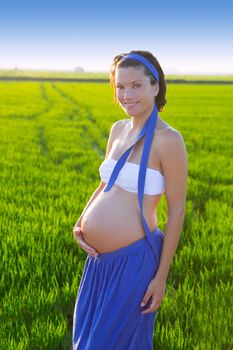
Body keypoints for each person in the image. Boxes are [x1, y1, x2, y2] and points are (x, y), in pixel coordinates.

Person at [72, 50, 188, 349]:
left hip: (134, 263)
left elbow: (176, 214)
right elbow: (105, 184)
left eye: (136, 85)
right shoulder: (118, 129)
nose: (126, 94)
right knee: (85, 341)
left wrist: (160, 278)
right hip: (97, 264)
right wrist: (80, 222)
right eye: (120, 87)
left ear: (155, 86)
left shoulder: (168, 140)